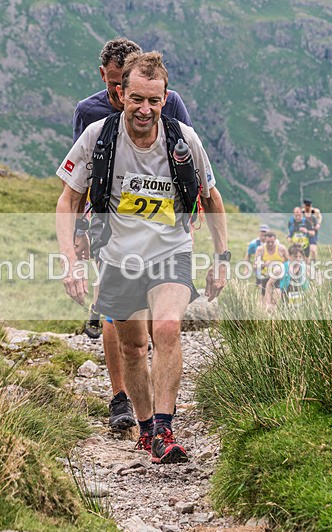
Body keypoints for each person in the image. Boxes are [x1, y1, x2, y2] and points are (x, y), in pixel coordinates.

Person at [56, 52, 228, 464]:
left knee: (167, 327)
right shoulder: (98, 136)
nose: (144, 109)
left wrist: (222, 257)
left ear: (165, 98)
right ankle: (146, 426)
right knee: (132, 347)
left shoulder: (184, 139)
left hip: (171, 251)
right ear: (121, 93)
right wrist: (70, 261)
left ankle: (165, 430)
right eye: (136, 99)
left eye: (154, 100)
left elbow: (211, 197)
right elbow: (68, 200)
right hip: (118, 257)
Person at [72, 38, 193, 432]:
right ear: (108, 80)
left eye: (120, 86)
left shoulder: (166, 101)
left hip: (162, 225)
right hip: (108, 219)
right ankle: (120, 395)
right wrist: (80, 231)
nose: (116, 95)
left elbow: (185, 157)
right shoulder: (89, 114)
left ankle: (161, 415)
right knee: (118, 318)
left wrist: (192, 206)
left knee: (164, 325)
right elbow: (81, 177)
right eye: (112, 86)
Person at [264, 244, 310, 310]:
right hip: (284, 300)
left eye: (300, 257)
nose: (298, 259)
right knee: (277, 291)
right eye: (295, 257)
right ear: (289, 256)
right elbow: (269, 284)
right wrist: (268, 303)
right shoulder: (280, 269)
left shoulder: (305, 268)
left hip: (301, 301)